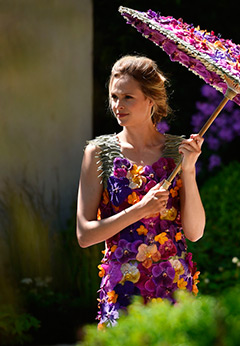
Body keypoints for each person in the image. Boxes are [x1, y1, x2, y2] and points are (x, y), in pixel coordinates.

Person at [76, 55, 205, 328]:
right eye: (114, 97)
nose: (117, 106)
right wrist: (140, 210)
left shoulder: (178, 152)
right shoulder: (98, 153)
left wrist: (189, 170)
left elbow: (194, 232)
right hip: (123, 291)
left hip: (174, 286)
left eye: (127, 98)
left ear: (151, 100)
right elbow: (85, 235)